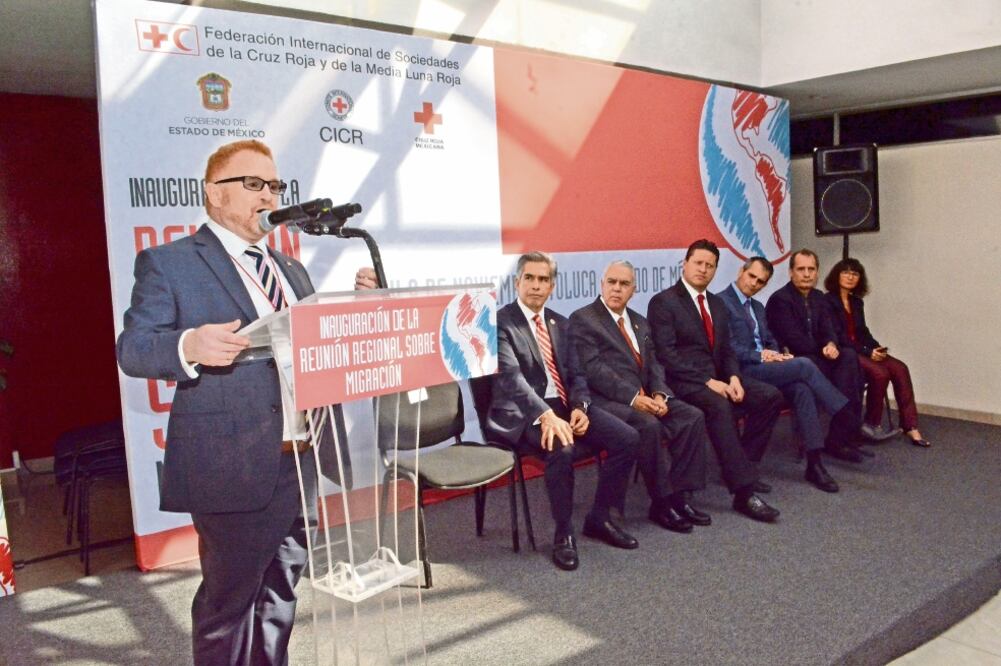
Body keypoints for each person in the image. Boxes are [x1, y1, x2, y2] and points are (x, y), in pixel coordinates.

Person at [117, 140, 365, 665]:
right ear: (214, 193)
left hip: (301, 457)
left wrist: (360, 307)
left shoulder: (290, 270)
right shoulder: (170, 263)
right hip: (231, 461)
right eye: (253, 184)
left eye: (274, 185)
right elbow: (134, 348)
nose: (269, 195)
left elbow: (309, 350)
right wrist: (189, 344)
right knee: (229, 603)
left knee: (281, 593)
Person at [484, 251, 640, 572]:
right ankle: (563, 533)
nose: (536, 286)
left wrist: (580, 407)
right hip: (524, 411)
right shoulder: (501, 322)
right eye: (529, 278)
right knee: (562, 446)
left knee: (627, 438)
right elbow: (511, 379)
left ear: (552, 286)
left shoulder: (561, 322)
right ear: (517, 282)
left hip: (564, 406)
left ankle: (600, 517)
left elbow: (577, 375)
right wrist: (546, 416)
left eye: (543, 280)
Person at [570, 260, 711, 532]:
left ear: (633, 290)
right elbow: (594, 370)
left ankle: (681, 496)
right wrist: (634, 398)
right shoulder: (583, 319)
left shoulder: (640, 322)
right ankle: (661, 502)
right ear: (601, 285)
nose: (616, 289)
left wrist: (660, 394)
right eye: (611, 282)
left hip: (646, 397)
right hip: (607, 401)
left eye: (624, 284)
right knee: (648, 425)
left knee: (692, 416)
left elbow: (655, 363)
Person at [647, 240, 782, 523]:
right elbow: (666, 356)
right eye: (698, 263)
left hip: (718, 378)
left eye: (710, 265)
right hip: (682, 381)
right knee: (719, 405)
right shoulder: (664, 302)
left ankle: (743, 464)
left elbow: (727, 350)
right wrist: (709, 381)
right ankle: (743, 492)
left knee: (769, 396)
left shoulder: (718, 305)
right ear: (684, 264)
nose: (703, 269)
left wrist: (733, 377)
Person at [718, 257, 862, 492]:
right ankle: (845, 413)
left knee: (802, 389)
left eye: (761, 281)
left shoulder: (757, 306)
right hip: (741, 369)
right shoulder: (720, 302)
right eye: (751, 276)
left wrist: (777, 354)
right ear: (740, 272)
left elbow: (769, 338)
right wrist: (761, 356)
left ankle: (814, 463)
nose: (754, 283)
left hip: (766, 366)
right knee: (804, 365)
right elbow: (727, 347)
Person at [764, 249, 875, 461]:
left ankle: (839, 436)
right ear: (791, 272)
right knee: (844, 373)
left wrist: (831, 344)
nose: (807, 274)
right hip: (794, 360)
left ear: (817, 272)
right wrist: (823, 349)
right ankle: (846, 429)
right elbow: (794, 340)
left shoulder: (818, 297)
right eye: (801, 269)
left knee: (849, 357)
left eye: (811, 269)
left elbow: (828, 329)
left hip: (817, 356)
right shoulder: (780, 299)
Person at [823, 258, 928, 447]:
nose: (850, 277)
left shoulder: (857, 302)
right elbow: (837, 336)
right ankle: (871, 424)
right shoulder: (826, 301)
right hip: (844, 353)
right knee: (880, 373)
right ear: (836, 275)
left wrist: (876, 348)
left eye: (855, 274)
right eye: (846, 272)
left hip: (862, 350)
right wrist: (867, 351)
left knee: (900, 368)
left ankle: (910, 425)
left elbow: (863, 332)